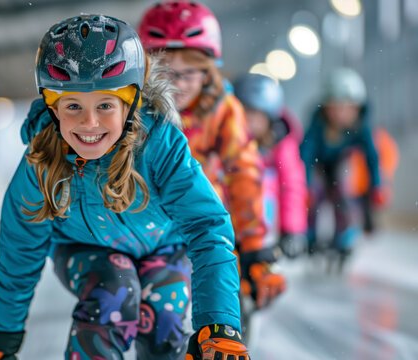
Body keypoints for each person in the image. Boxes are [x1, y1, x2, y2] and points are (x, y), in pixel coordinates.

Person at [0, 14, 250, 360]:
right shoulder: (41, 162)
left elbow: (206, 226)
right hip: (84, 250)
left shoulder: (159, 145)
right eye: (73, 106)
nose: (89, 123)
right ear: (52, 108)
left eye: (106, 105)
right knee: (113, 291)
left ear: (131, 103)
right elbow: (19, 252)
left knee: (163, 315)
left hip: (164, 248)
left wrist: (218, 325)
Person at [138, 0, 286, 315]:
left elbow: (243, 170)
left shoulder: (223, 109)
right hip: (144, 225)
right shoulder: (134, 110)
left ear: (207, 73)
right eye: (164, 72)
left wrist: (253, 244)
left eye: (188, 73)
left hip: (201, 224)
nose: (176, 84)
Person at [300, 67, 384, 259]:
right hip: (318, 165)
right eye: (336, 107)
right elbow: (306, 155)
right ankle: (310, 235)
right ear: (326, 107)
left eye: (348, 108)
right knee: (315, 195)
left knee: (344, 194)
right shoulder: (318, 124)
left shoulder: (361, 126)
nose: (341, 114)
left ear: (357, 108)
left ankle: (344, 235)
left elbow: (372, 157)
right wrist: (305, 186)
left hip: (339, 164)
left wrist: (376, 186)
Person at [233, 73, 308, 259]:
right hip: (228, 230)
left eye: (258, 117)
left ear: (270, 120)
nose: (250, 123)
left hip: (265, 234)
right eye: (246, 114)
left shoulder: (281, 148)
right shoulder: (224, 144)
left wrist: (291, 229)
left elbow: (292, 186)